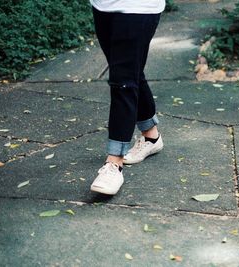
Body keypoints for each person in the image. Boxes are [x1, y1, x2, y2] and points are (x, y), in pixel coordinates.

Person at [89, 0, 165, 195]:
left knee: (123, 82)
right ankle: (151, 136)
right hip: (103, 6)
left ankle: (114, 163)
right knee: (130, 72)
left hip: (137, 7)